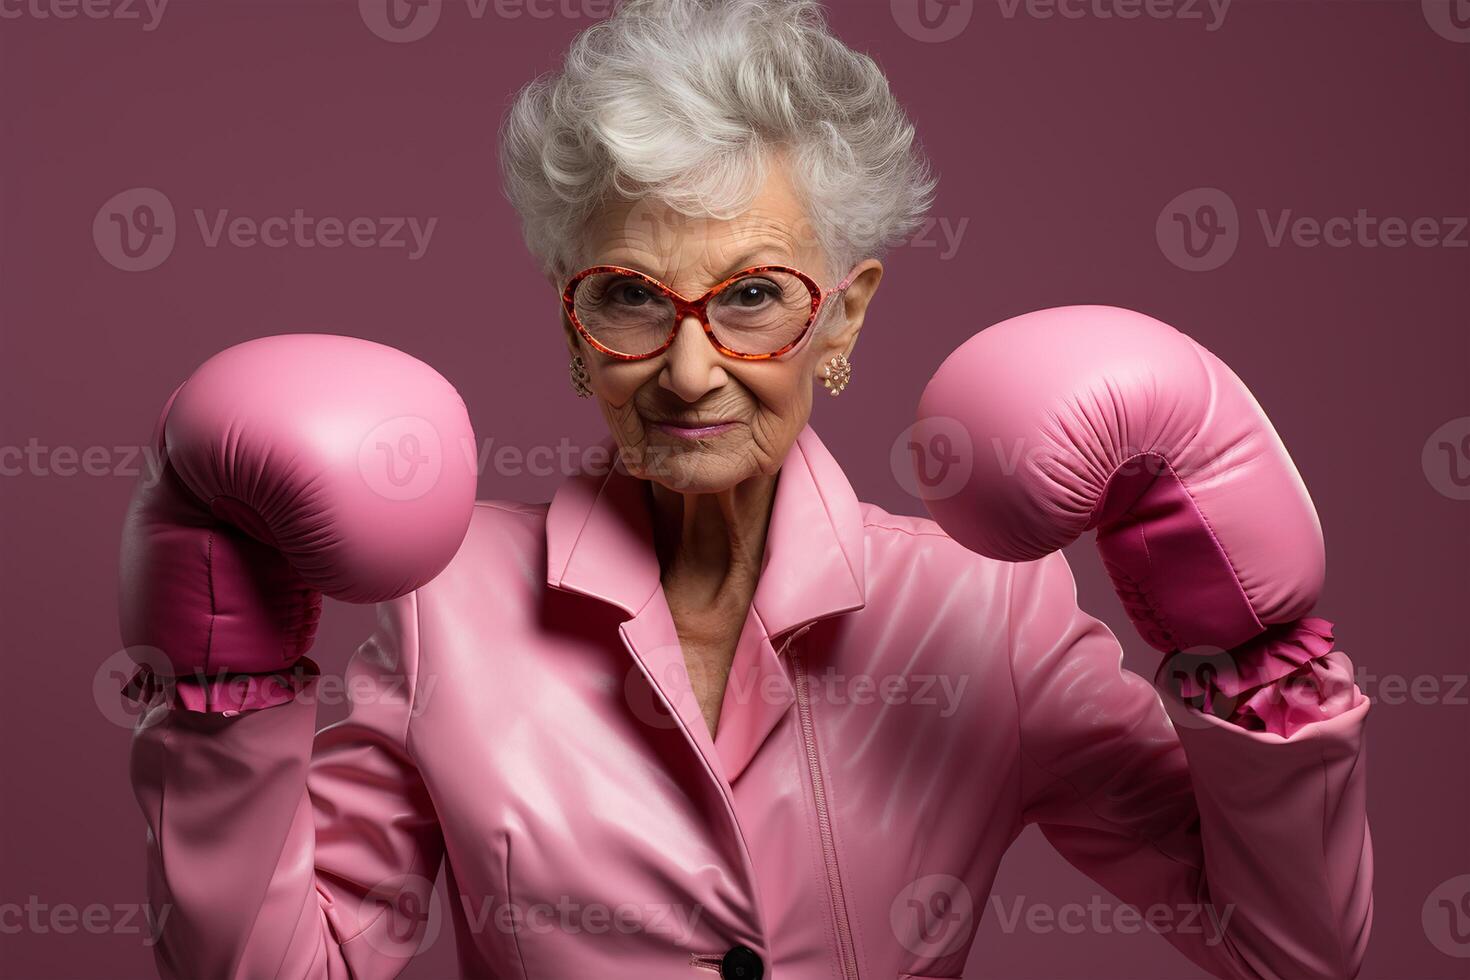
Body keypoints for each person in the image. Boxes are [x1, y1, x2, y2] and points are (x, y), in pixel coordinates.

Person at [119, 2, 1372, 978]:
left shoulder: (984, 609)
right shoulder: (449, 605)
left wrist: (1251, 641)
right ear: (568, 322)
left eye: (754, 295)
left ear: (845, 317)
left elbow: (1290, 950)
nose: (688, 365)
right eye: (628, 296)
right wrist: (225, 680)